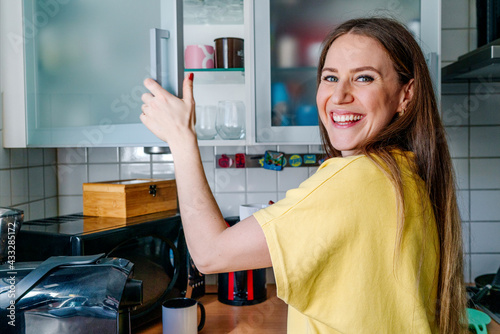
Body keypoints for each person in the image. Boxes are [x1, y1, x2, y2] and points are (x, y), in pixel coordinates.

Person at [141, 17, 467, 334]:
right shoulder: (405, 170)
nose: (339, 96)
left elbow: (209, 254)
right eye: (330, 77)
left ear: (404, 95)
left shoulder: (354, 181)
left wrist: (182, 139)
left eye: (364, 78)